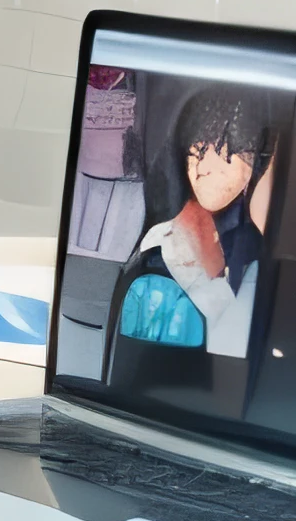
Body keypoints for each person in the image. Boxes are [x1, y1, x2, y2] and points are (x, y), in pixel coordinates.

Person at [120, 87, 280, 358]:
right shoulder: (157, 257)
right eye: (197, 149)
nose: (204, 166)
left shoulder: (251, 246)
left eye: (227, 152)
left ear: (257, 162)